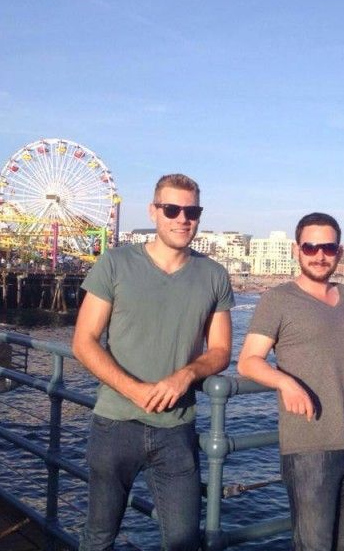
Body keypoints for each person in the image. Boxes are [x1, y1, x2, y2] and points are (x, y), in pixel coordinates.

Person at [72, 173, 234, 550]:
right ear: (153, 211)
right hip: (115, 424)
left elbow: (221, 350)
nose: (182, 218)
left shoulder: (213, 275)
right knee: (99, 535)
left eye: (191, 210)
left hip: (177, 429)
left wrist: (186, 375)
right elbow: (83, 341)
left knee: (183, 541)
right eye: (172, 209)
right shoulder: (115, 263)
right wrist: (135, 390)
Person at [237, 212, 344, 550]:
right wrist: (286, 383)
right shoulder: (278, 300)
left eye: (327, 247)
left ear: (339, 252)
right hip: (310, 448)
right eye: (310, 247)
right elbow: (249, 361)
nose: (319, 255)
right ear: (297, 250)